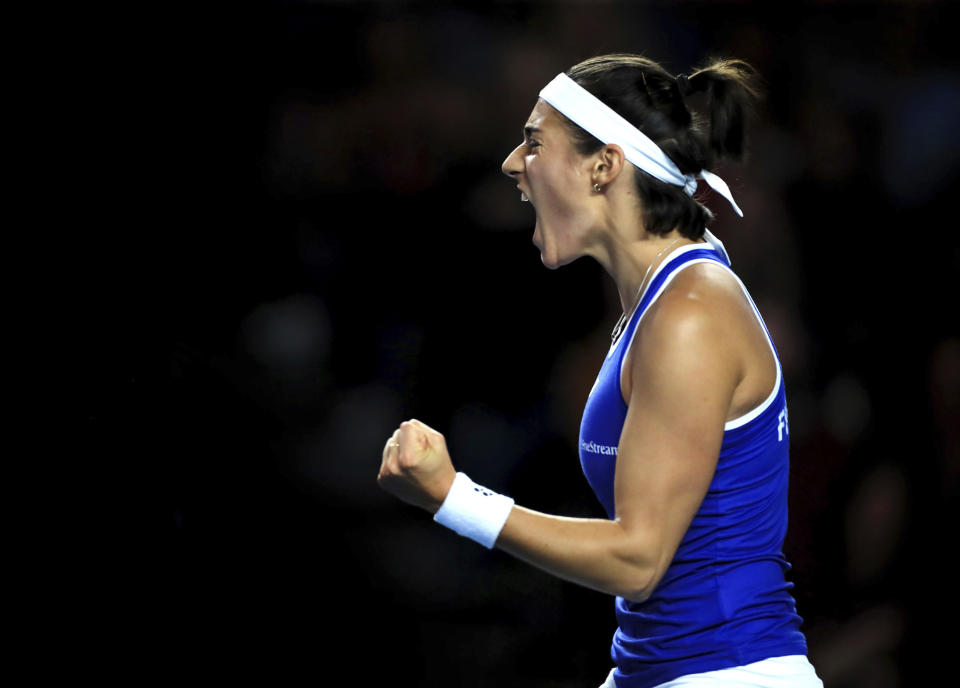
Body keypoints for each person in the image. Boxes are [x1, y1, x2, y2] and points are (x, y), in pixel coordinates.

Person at [377, 53, 823, 688]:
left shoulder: (690, 311)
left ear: (604, 166)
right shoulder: (654, 305)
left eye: (534, 142)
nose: (512, 163)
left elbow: (638, 559)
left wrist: (455, 499)